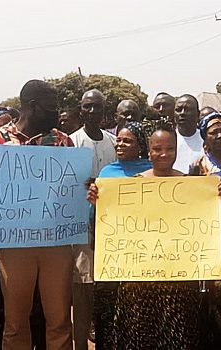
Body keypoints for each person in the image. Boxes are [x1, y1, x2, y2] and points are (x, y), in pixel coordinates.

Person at [0, 80, 74, 349]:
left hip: (55, 241)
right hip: (13, 243)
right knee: (15, 321)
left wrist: (86, 187)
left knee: (58, 321)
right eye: (50, 108)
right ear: (32, 107)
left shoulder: (62, 141)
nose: (56, 114)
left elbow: (73, 189)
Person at [88, 126, 204, 349]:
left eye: (170, 148)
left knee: (177, 337)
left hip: (178, 282)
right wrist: (99, 201)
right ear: (148, 151)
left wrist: (216, 196)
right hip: (138, 282)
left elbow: (202, 224)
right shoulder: (131, 186)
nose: (164, 154)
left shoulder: (192, 186)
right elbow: (115, 225)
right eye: (157, 148)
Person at [86, 121, 152, 350]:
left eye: (128, 141)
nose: (121, 145)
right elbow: (96, 215)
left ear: (141, 146)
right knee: (109, 312)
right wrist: (93, 197)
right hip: (113, 255)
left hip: (143, 256)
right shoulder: (107, 172)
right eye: (119, 140)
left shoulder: (153, 172)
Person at [70, 89, 117, 350]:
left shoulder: (113, 142)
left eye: (97, 107)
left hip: (111, 229)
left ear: (103, 111)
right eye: (87, 107)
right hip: (81, 230)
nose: (92, 112)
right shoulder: (72, 142)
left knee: (105, 291)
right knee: (82, 291)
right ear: (80, 109)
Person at [189, 112, 221, 349]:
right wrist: (220, 196)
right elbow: (193, 204)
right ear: (204, 138)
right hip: (217, 238)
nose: (220, 135)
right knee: (218, 290)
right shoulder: (198, 166)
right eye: (213, 132)